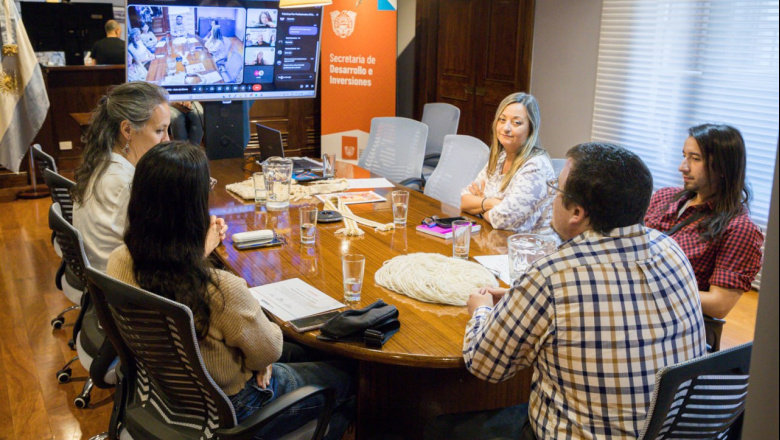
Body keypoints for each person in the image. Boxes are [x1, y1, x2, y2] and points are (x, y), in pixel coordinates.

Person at [428, 143, 705, 439]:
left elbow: (484, 364)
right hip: (667, 431)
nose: (552, 198)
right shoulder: (671, 249)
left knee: (438, 427)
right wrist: (520, 301)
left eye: (556, 190)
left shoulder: (553, 274)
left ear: (576, 212)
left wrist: (481, 308)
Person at [107, 141, 355, 440]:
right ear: (195, 207)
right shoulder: (220, 290)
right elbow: (269, 349)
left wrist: (200, 250)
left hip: (169, 391)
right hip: (238, 405)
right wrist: (261, 363)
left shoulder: (120, 260)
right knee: (353, 376)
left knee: (302, 350)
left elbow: (168, 275)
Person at [644, 124, 764, 319]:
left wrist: (646, 289)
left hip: (670, 319)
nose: (682, 166)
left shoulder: (739, 229)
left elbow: (719, 304)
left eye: (695, 159)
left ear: (723, 167)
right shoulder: (665, 197)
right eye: (684, 156)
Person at [71, 82, 171, 272]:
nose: (167, 140)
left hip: (103, 284)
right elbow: (162, 267)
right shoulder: (127, 184)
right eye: (160, 130)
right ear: (127, 130)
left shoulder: (100, 162)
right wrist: (207, 243)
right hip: (124, 292)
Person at [460, 92, 556, 234]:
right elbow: (463, 200)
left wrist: (480, 203)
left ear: (531, 128)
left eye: (516, 123)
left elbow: (504, 219)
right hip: (495, 239)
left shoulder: (536, 166)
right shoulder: (500, 158)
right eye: (502, 120)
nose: (506, 128)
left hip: (530, 250)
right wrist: (490, 202)